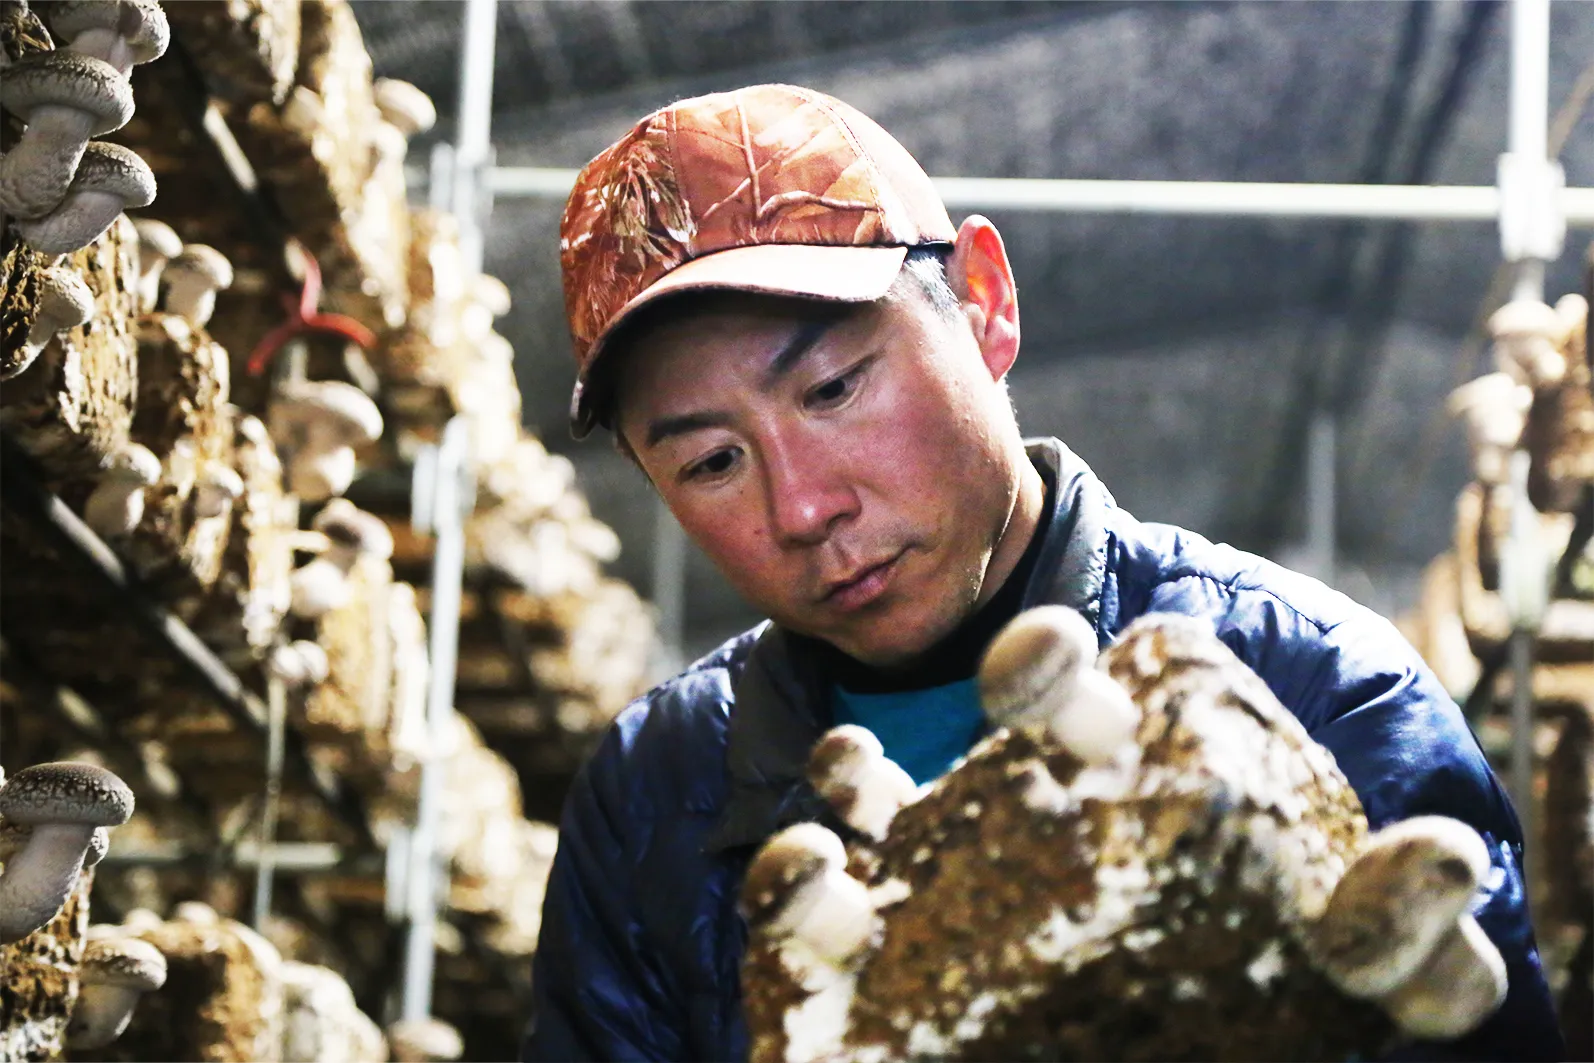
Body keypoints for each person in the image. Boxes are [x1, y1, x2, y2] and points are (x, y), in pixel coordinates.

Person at [523, 83, 1563, 1061]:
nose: (800, 509)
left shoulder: (1311, 684)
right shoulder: (651, 791)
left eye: (833, 387)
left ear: (982, 304)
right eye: (711, 462)